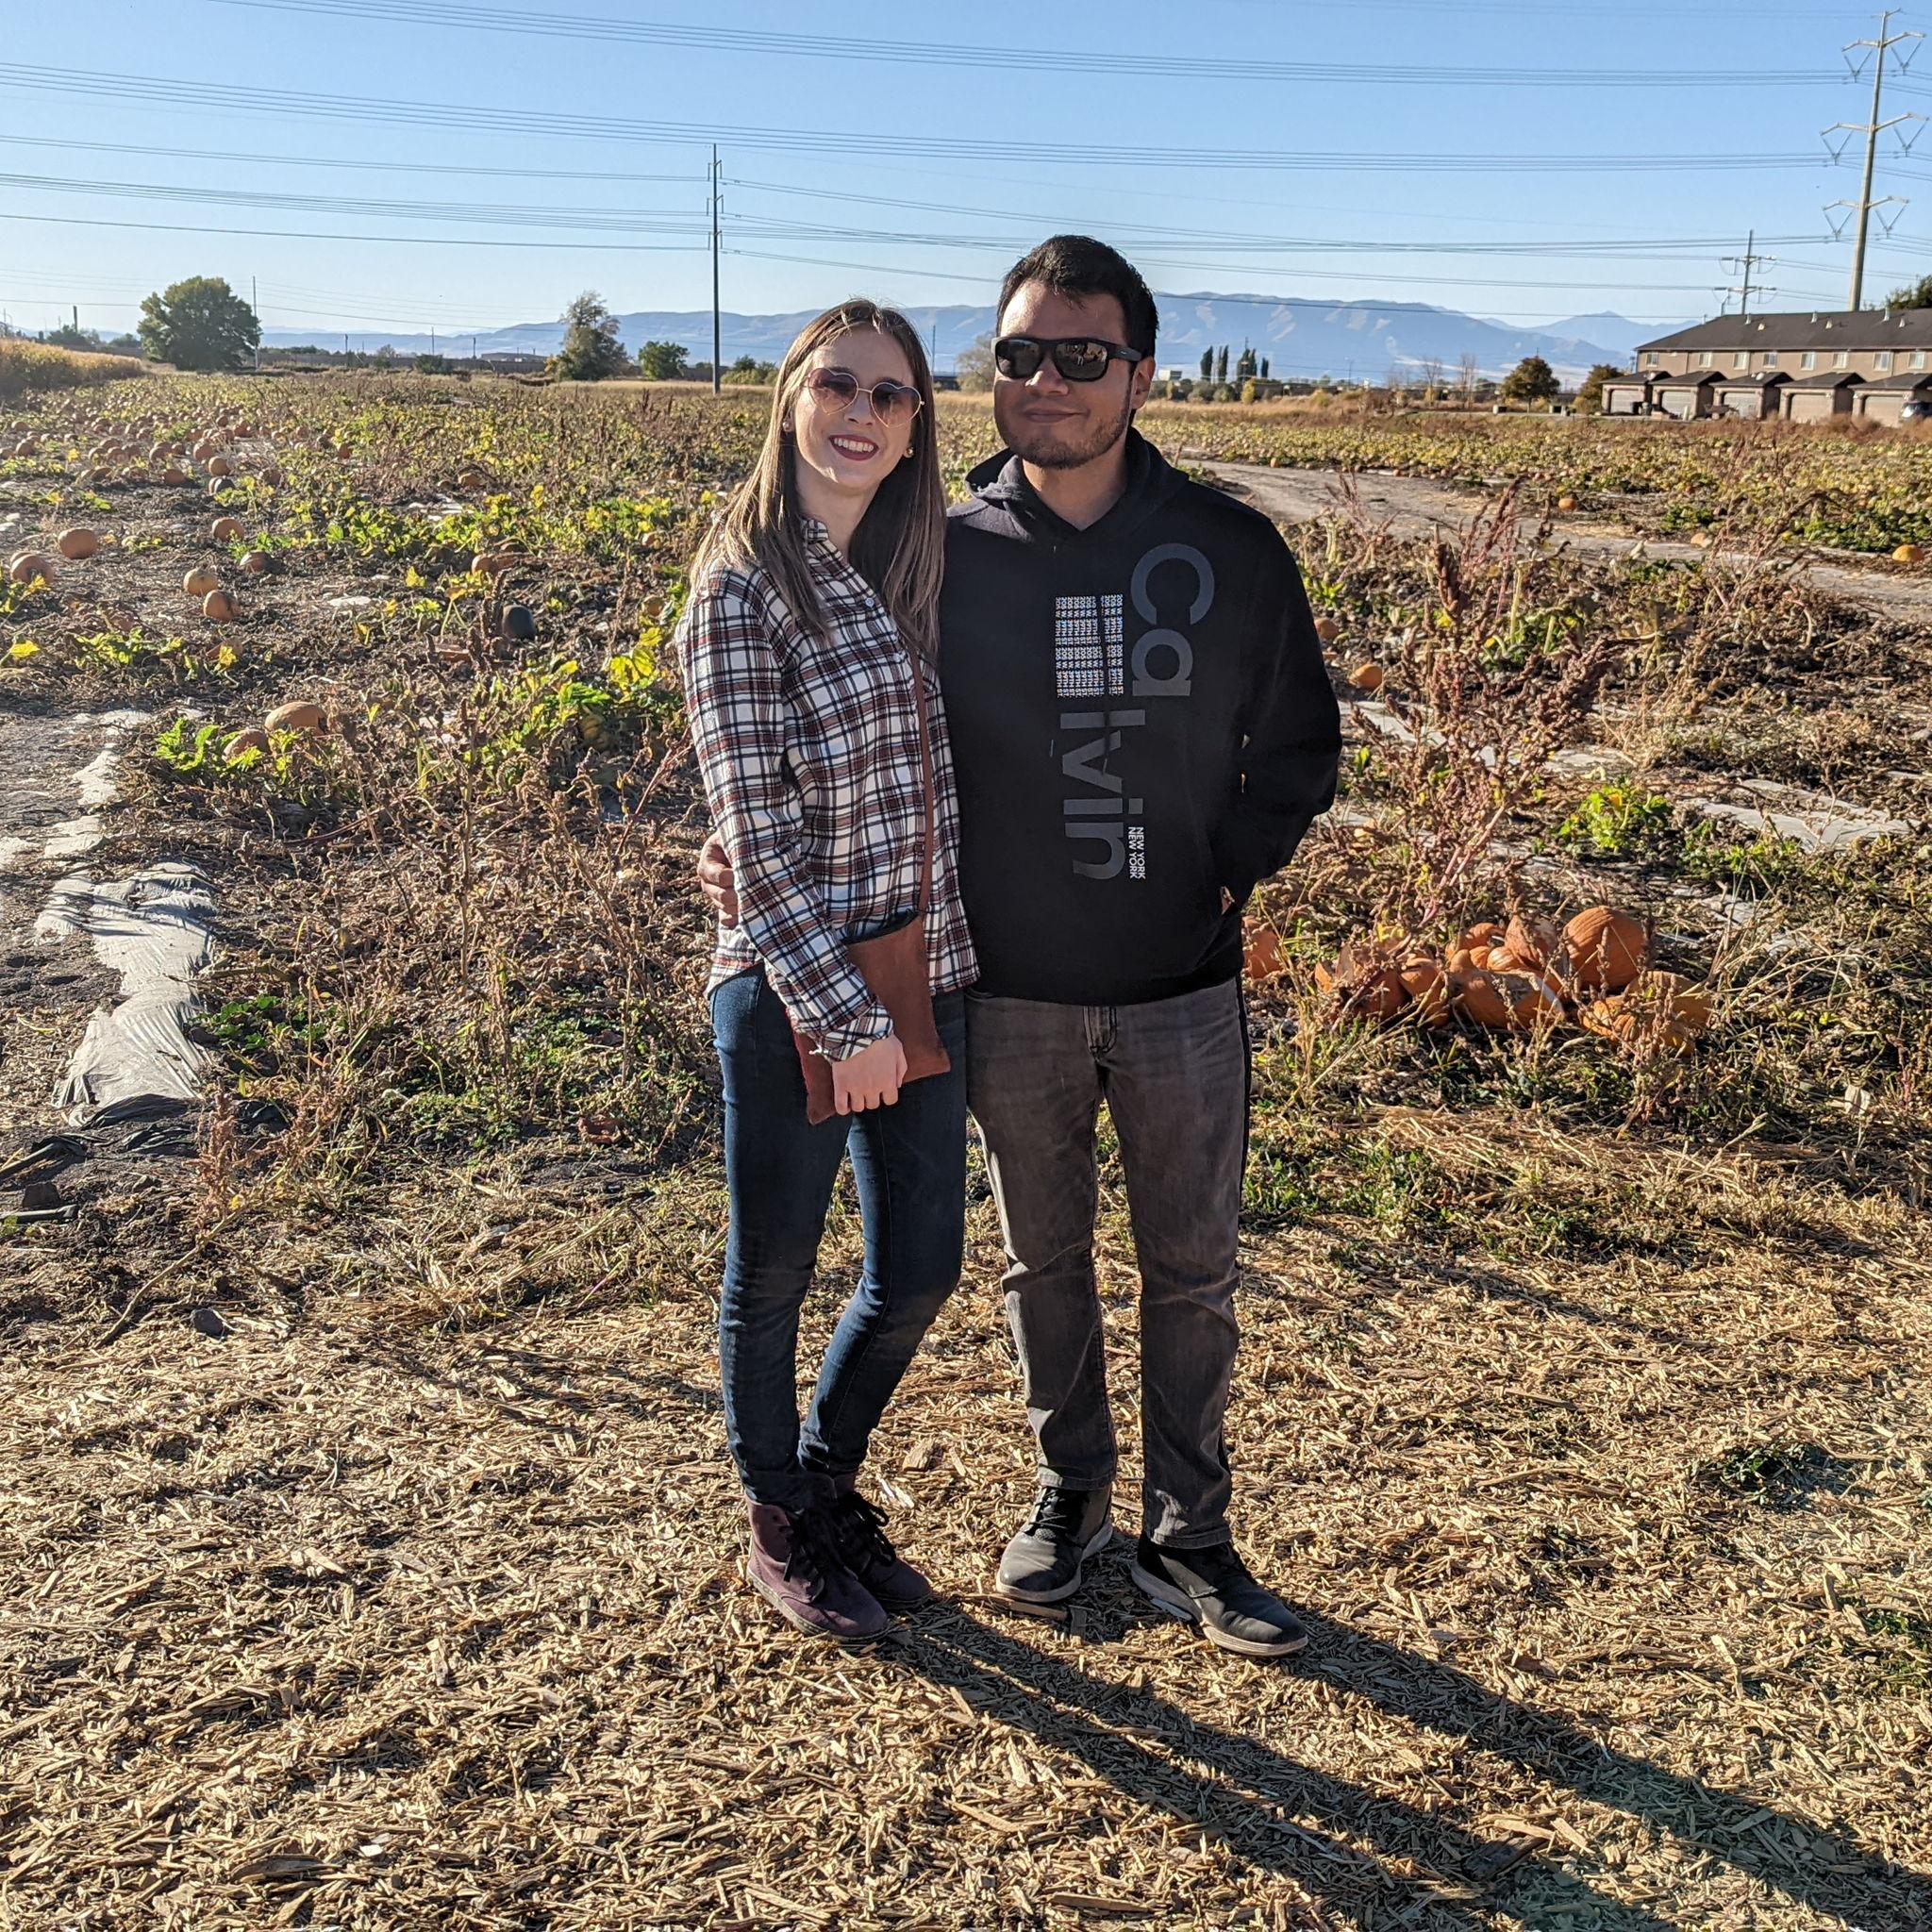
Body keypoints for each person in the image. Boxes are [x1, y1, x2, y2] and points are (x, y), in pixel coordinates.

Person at [702, 240, 1341, 1659]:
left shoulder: (1228, 547)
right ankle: (1070, 1499)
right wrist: (736, 853)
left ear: (1141, 374)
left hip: (1182, 985)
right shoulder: (933, 546)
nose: (1043, 382)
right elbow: (788, 717)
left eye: (1079, 356)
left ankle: (1194, 1534)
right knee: (1035, 1266)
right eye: (1018, 356)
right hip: (1004, 985)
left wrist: (1220, 874)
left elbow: (1300, 743)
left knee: (1191, 1267)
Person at [675, 299, 976, 1643]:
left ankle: (829, 1482)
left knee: (920, 1267)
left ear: (917, 429)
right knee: (776, 1270)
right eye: (838, 385)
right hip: (796, 987)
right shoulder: (741, 585)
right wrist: (839, 1012)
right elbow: (753, 828)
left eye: (892, 396)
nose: (863, 414)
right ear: (792, 396)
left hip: (927, 963)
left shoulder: (910, 570)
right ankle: (776, 1516)